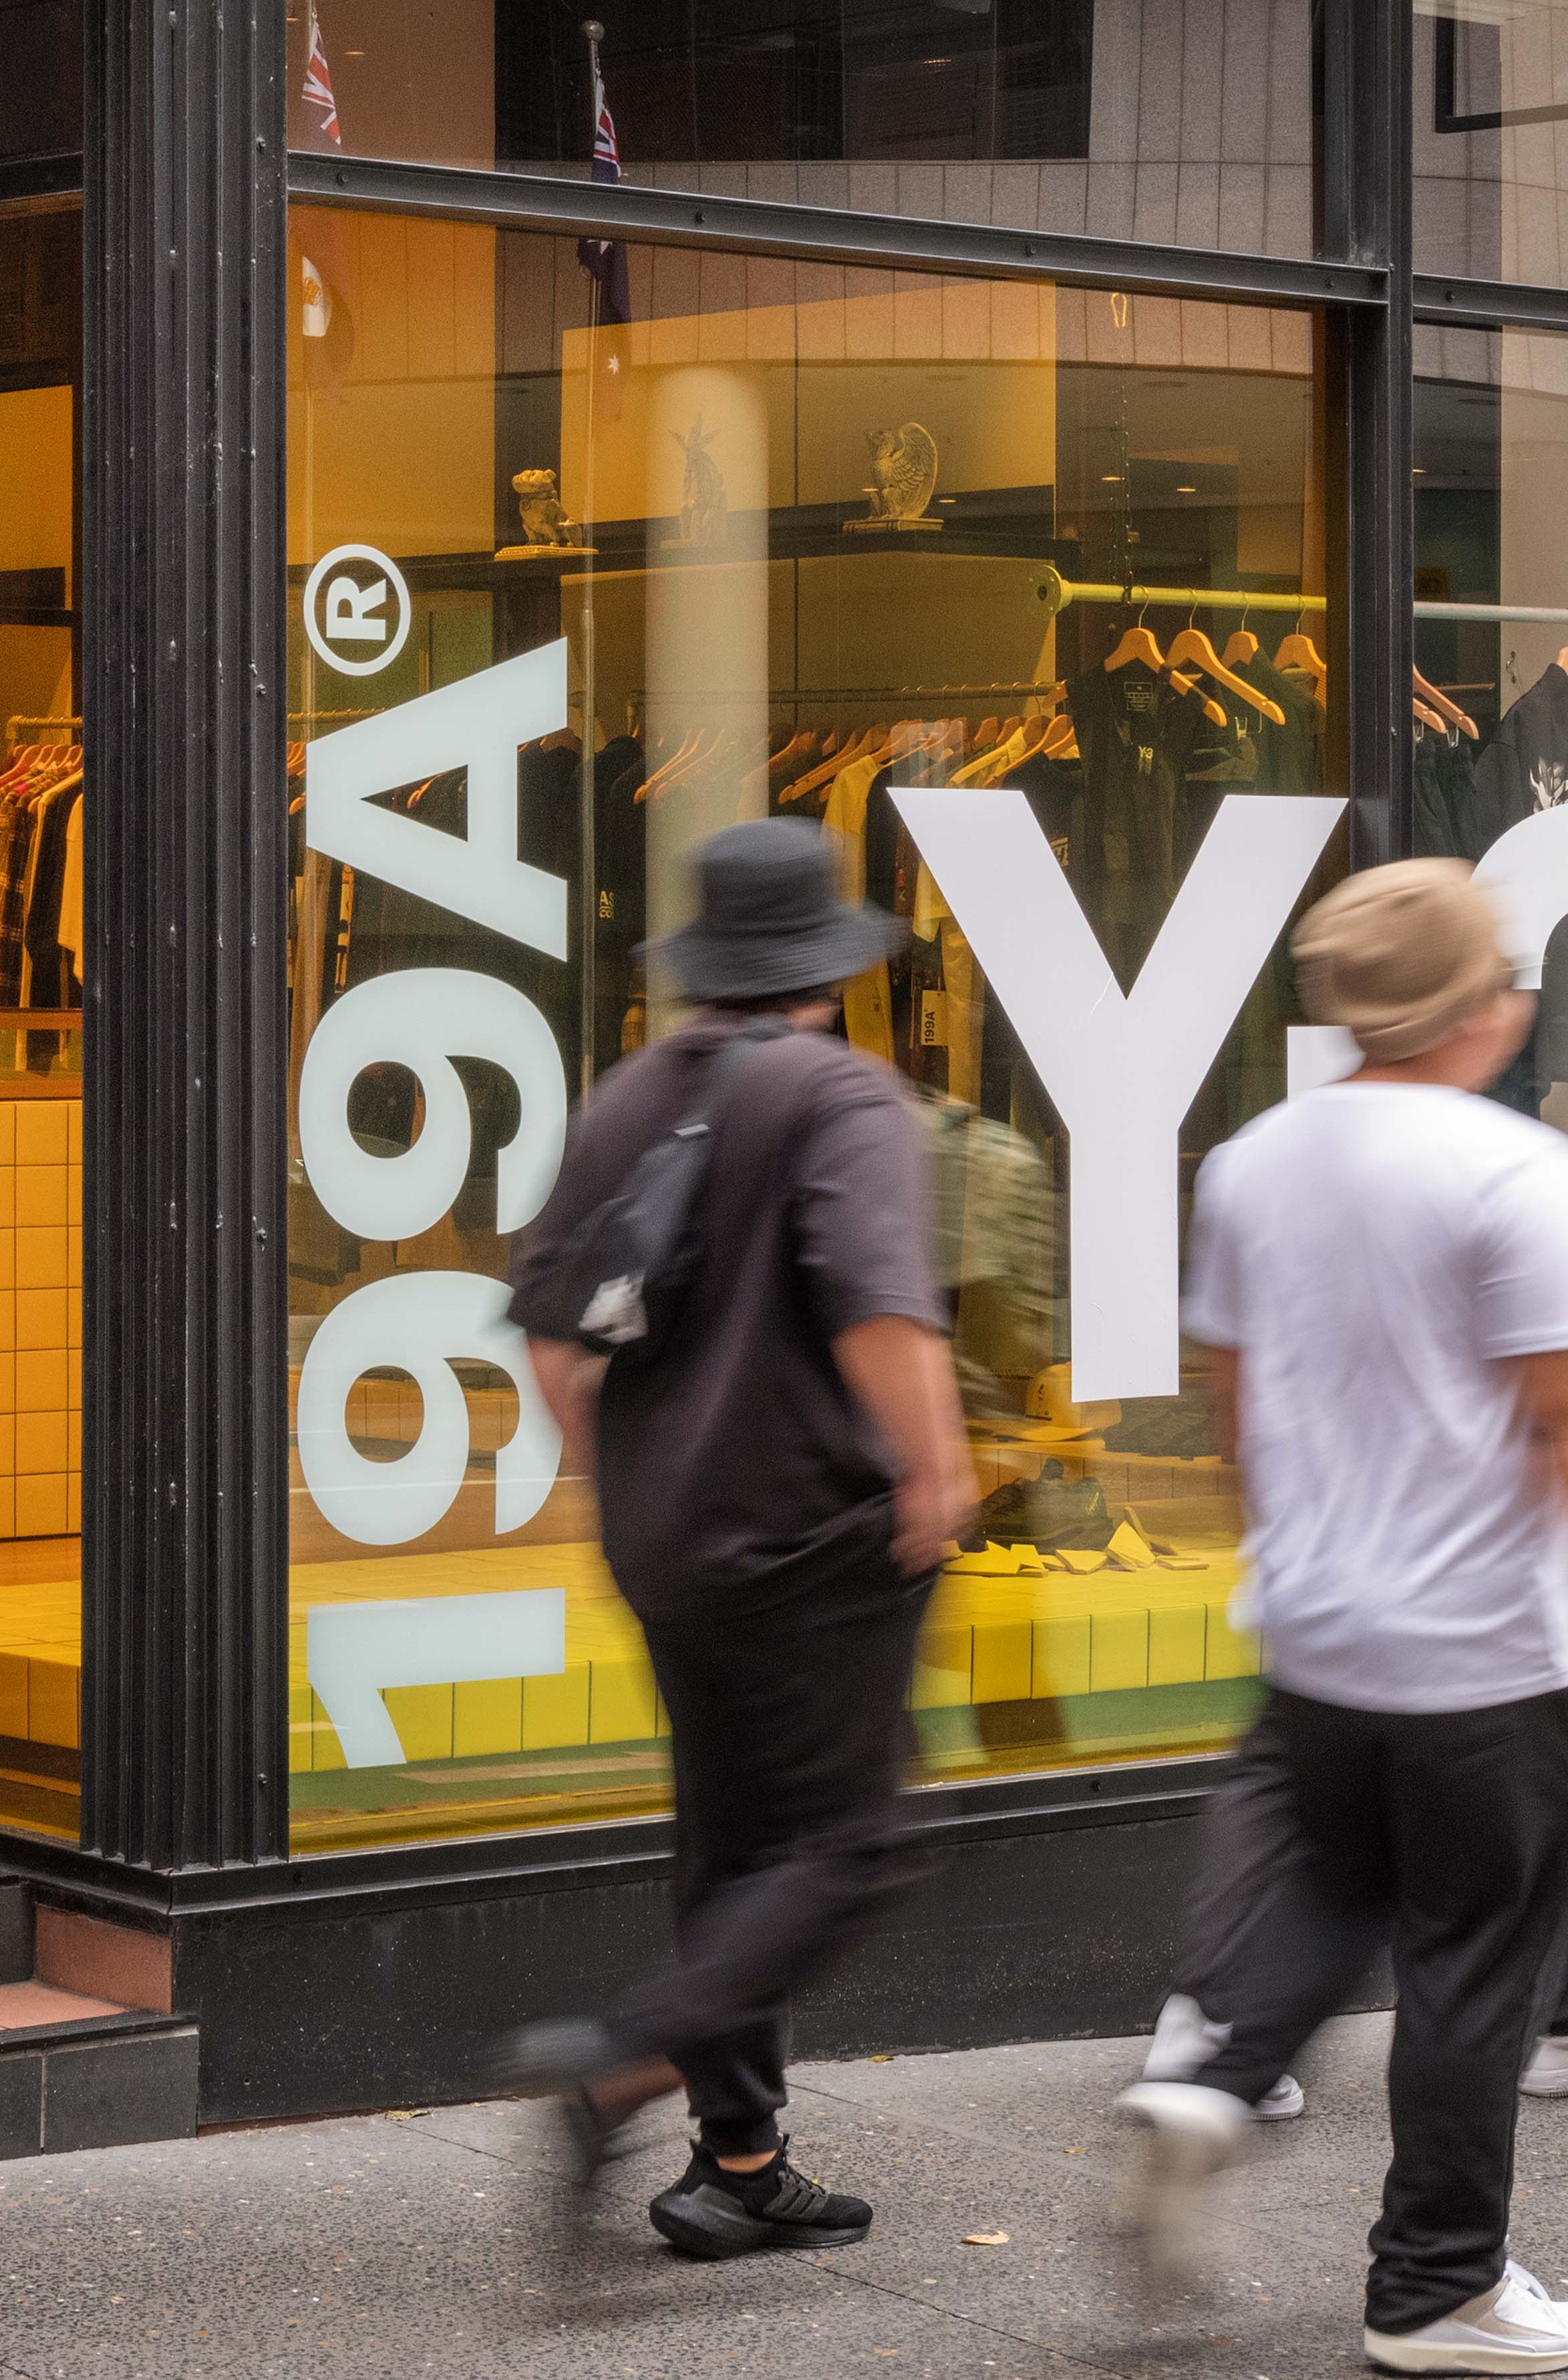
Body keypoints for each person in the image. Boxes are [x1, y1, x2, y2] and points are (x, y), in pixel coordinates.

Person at [1111, 862, 1568, 2377]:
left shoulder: (1253, 1159)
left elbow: (1234, 1402)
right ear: (1484, 1010)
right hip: (1485, 1648)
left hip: (1320, 1627)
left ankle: (1218, 2075)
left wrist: (1291, 1562)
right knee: (1470, 1961)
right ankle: (1438, 2283)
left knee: (1335, 1878)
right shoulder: (1513, 1170)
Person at [498, 815, 979, 2263]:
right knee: (856, 1839)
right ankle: (621, 2066)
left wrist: (632, 1482)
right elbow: (880, 1307)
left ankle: (743, 2160)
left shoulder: (629, 1095)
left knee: (733, 1836)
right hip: (814, 1533)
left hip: (667, 1538)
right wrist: (935, 1474)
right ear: (825, 971)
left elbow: (554, 1340)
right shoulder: (843, 1099)